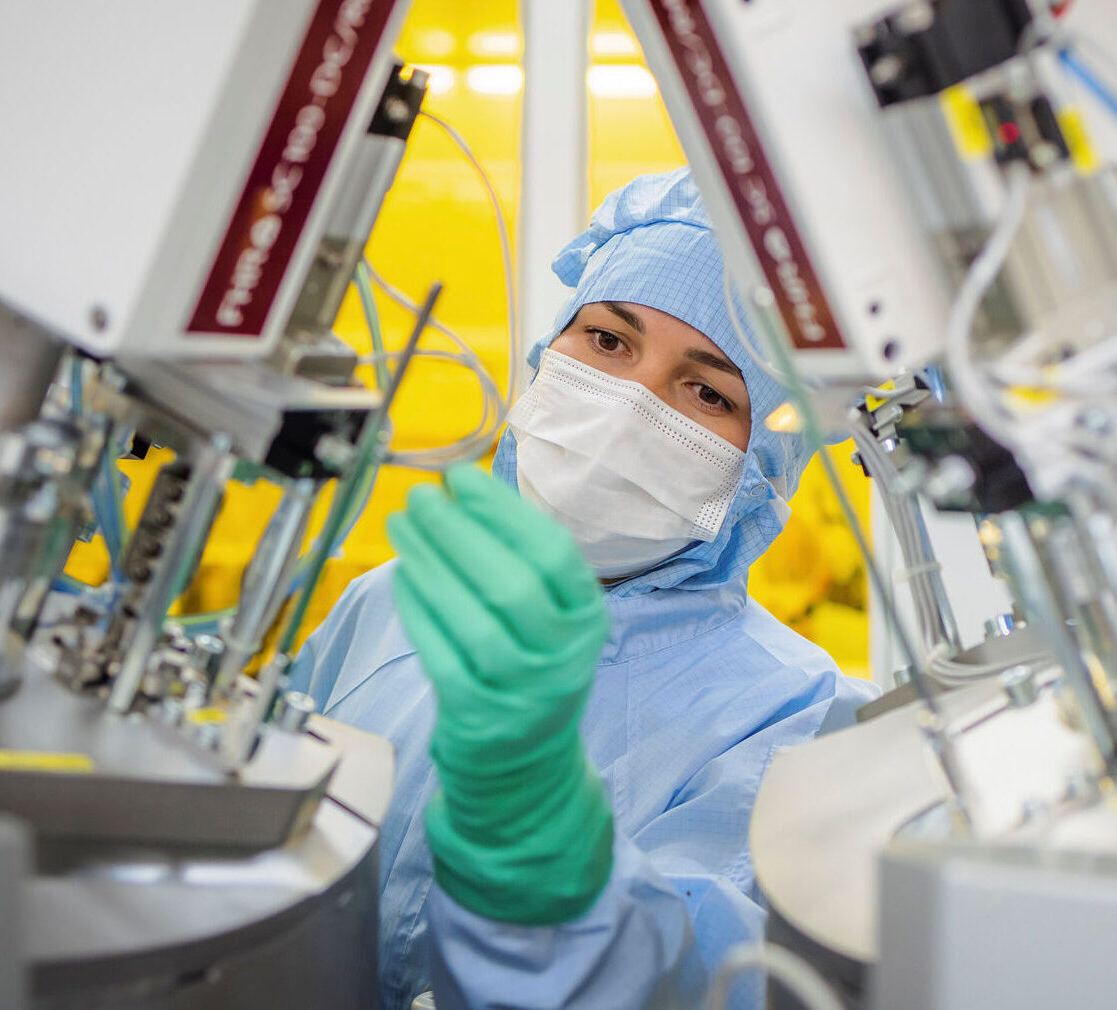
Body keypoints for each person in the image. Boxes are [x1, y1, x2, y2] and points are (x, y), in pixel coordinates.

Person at [291, 169, 879, 1010]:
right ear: (547, 351)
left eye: (706, 391)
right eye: (607, 342)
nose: (625, 410)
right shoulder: (393, 601)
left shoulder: (793, 723)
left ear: (761, 468)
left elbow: (681, 988)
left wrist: (534, 816)